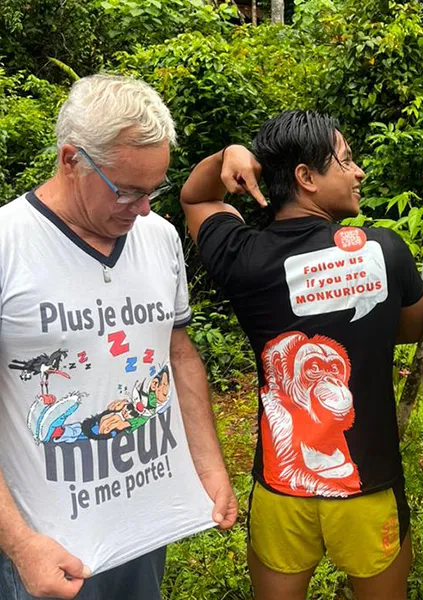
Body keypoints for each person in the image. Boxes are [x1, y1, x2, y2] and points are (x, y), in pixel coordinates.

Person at [0, 74, 237, 600]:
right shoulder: (8, 245)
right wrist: (19, 544)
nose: (146, 208)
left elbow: (178, 352)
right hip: (46, 547)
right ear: (70, 160)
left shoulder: (158, 237)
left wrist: (208, 465)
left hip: (144, 526)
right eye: (128, 191)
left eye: (155, 189)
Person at [180, 110, 423, 600]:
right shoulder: (384, 250)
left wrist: (228, 156)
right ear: (306, 177)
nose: (358, 173)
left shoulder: (242, 256)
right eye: (347, 160)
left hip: (279, 488)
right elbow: (412, 329)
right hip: (369, 487)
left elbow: (197, 196)